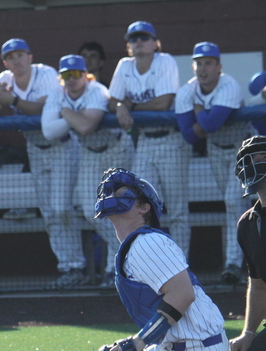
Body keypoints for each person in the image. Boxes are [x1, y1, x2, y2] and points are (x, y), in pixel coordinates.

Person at [94, 167, 265, 351]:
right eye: (111, 193)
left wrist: (136, 343)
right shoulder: (137, 244)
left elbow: (181, 296)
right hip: (178, 347)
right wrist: (131, 347)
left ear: (144, 207)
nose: (113, 196)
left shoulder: (145, 243)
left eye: (123, 194)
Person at [42, 54, 133, 288]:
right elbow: (48, 132)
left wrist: (64, 113)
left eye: (75, 74)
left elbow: (85, 126)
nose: (71, 79)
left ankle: (116, 269)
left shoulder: (97, 91)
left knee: (118, 209)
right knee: (88, 209)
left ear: (85, 75)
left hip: (116, 150)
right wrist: (71, 115)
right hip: (89, 154)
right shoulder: (57, 94)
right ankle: (124, 251)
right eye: (66, 75)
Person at [107, 21, 190, 274]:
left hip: (171, 140)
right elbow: (112, 101)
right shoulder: (124, 65)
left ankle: (182, 265)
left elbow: (164, 103)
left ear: (155, 43)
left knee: (176, 209)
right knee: (141, 204)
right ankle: (149, 264)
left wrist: (130, 106)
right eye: (134, 39)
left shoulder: (165, 61)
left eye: (144, 38)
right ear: (128, 45)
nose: (139, 42)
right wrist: (121, 106)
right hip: (144, 141)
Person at [0, 38, 64, 281]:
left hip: (63, 146)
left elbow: (43, 109)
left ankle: (85, 265)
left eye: (20, 55)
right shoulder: (4, 78)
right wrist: (2, 99)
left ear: (30, 57)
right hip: (35, 148)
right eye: (10, 57)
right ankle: (69, 267)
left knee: (63, 210)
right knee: (50, 213)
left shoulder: (46, 74)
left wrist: (13, 101)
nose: (15, 60)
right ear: (5, 62)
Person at [176, 42, 254, 285]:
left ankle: (233, 262)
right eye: (199, 63)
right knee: (233, 208)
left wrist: (199, 110)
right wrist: (204, 115)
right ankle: (239, 260)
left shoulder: (228, 84)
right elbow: (188, 135)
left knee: (234, 204)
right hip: (215, 152)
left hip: (242, 151)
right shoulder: (188, 90)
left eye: (208, 63)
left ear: (218, 66)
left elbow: (209, 126)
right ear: (193, 66)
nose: (203, 68)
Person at [228, 136, 266, 351]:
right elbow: (258, 285)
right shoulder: (249, 224)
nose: (251, 164)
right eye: (247, 159)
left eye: (259, 157)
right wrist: (249, 333)